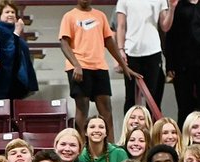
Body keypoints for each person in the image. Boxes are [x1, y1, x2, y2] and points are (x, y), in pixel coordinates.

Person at [59, 0, 140, 135]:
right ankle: (80, 149)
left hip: (99, 67)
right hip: (79, 67)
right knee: (82, 108)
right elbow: (64, 43)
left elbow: (109, 41)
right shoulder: (69, 16)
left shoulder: (100, 15)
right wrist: (76, 65)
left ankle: (110, 149)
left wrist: (124, 66)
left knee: (106, 110)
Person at [116, 0, 171, 113]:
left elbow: (165, 26)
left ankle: (153, 129)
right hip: (131, 52)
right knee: (130, 97)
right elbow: (120, 26)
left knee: (153, 98)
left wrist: (172, 8)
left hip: (153, 52)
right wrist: (120, 49)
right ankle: (129, 129)